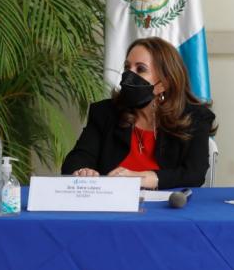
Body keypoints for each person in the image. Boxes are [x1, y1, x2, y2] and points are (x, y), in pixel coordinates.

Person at [61, 37, 216, 189]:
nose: (129, 75)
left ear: (163, 83)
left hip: (167, 208)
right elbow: (76, 160)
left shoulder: (195, 118)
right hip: (113, 206)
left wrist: (146, 179)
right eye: (127, 67)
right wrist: (82, 171)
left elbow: (195, 174)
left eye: (140, 69)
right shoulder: (105, 113)